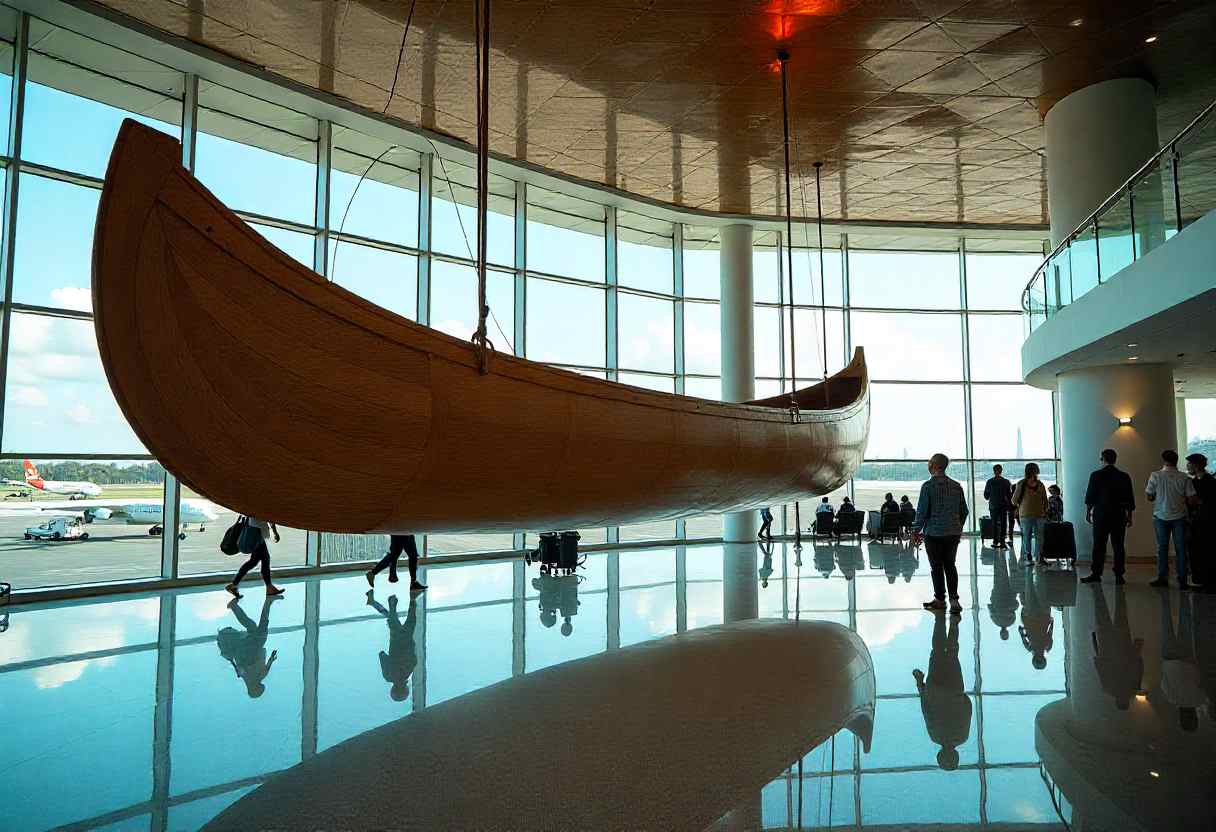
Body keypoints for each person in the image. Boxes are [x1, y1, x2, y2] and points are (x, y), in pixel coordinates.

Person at [913, 610, 971, 771]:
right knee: (938, 650)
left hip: (955, 688)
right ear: (940, 755)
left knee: (952, 653)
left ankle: (954, 622)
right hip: (936, 687)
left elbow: (968, 708)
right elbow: (926, 709)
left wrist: (959, 696)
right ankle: (939, 616)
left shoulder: (963, 736)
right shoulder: (935, 736)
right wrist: (920, 684)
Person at [912, 453, 969, 614]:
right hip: (953, 533)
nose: (928, 465)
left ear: (935, 465)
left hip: (934, 534)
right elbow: (964, 511)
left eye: (930, 462)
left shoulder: (928, 486)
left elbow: (922, 512)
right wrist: (957, 526)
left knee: (936, 567)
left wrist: (916, 531)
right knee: (950, 565)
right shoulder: (957, 486)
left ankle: (940, 600)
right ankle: (954, 600)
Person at [1082, 448, 1136, 585]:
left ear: (1103, 459)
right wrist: (1129, 515)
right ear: (1115, 460)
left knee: (1099, 545)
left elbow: (1091, 496)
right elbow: (1129, 498)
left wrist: (1088, 512)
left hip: (1101, 514)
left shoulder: (1096, 475)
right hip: (1119, 514)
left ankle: (1096, 573)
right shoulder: (1124, 476)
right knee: (1118, 545)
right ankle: (1119, 575)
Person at [1146, 449, 1198, 588]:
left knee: (1162, 548)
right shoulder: (1184, 477)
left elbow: (1149, 496)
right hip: (1180, 517)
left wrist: (1158, 496)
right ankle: (1182, 579)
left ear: (1164, 460)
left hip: (1160, 516)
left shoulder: (1155, 475)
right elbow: (1192, 499)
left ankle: (1162, 577)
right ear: (1176, 460)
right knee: (1181, 549)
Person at [216, 595, 280, 698]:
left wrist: (271, 658)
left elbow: (264, 666)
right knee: (254, 627)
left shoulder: (254, 678)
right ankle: (235, 606)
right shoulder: (249, 678)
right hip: (247, 649)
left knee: (261, 628)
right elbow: (266, 666)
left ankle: (268, 601)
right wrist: (271, 659)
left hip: (251, 650)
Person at [1091, 585, 1143, 710]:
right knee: (1102, 614)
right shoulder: (1108, 689)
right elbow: (1099, 664)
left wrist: (1137, 648)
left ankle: (1119, 586)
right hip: (1106, 646)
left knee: (1121, 614)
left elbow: (1138, 665)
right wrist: (1095, 645)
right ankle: (1097, 589)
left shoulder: (1133, 688)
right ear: (1117, 701)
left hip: (1124, 645)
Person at [366, 591, 419, 702]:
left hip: (407, 638)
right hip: (396, 641)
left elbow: (414, 660)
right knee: (392, 619)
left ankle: (405, 600)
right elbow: (382, 655)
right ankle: (375, 602)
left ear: (405, 689)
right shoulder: (389, 676)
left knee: (409, 618)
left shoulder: (408, 672)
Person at [226, 516, 283, 598]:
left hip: (253, 531)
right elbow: (269, 516)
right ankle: (269, 587)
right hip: (257, 533)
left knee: (254, 561)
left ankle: (234, 585)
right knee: (264, 559)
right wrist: (275, 532)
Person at [1186, 453, 1215, 593]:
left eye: (1189, 464)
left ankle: (1208, 582)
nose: (1187, 467)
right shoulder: (1195, 481)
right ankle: (1200, 580)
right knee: (1197, 550)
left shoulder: (1209, 481)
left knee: (1206, 550)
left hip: (1206, 521)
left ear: (1196, 465)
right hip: (1197, 521)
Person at [1012, 463, 1048, 566]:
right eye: (1035, 470)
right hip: (1026, 515)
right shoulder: (1021, 484)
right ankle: (1029, 557)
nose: (1036, 472)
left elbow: (1045, 499)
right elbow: (1014, 500)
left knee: (1038, 537)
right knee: (1029, 536)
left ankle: (1039, 558)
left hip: (1038, 515)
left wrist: (1045, 510)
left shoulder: (1040, 484)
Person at [987, 547, 1018, 640]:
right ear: (1001, 632)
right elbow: (990, 607)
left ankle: (1003, 555)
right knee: (997, 574)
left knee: (1005, 575)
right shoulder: (996, 621)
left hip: (1009, 594)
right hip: (997, 594)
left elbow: (1015, 607)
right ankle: (998, 555)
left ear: (1007, 632)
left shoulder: (1011, 621)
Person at [983, 464, 1013, 550]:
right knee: (1003, 524)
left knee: (994, 524)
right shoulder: (1006, 482)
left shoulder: (990, 482)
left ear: (994, 471)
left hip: (993, 506)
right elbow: (1009, 496)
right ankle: (1002, 541)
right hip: (1003, 506)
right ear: (1001, 471)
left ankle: (995, 541)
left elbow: (986, 496)